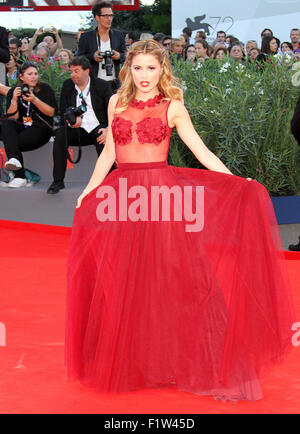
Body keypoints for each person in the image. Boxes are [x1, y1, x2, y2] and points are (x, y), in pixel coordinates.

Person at [65, 39, 295, 401]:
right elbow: (108, 152)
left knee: (178, 280)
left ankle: (202, 361)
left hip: (162, 199)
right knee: (129, 282)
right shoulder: (115, 103)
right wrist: (90, 190)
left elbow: (201, 152)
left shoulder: (173, 107)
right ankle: (140, 361)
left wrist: (236, 181)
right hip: (121, 199)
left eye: (151, 68)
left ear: (162, 69)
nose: (144, 75)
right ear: (129, 70)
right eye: (138, 68)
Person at [47, 56, 112, 194]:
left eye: (76, 71)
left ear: (87, 71)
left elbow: (112, 111)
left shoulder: (102, 86)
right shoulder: (67, 85)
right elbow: (63, 109)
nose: (73, 75)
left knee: (103, 136)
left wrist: (108, 130)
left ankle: (111, 181)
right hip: (76, 129)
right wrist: (71, 120)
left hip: (97, 127)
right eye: (71, 71)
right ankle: (58, 181)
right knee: (60, 135)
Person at [2, 62, 57, 188]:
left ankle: (20, 175)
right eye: (30, 74)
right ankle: (20, 173)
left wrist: (34, 100)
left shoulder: (45, 89)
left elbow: (51, 112)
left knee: (11, 143)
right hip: (22, 126)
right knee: (7, 125)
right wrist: (14, 100)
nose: (34, 77)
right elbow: (12, 117)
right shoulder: (14, 91)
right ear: (21, 77)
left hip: (41, 128)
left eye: (36, 74)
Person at [77, 1, 126, 92]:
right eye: (106, 16)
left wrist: (119, 56)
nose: (109, 19)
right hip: (94, 84)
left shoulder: (118, 35)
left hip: (114, 84)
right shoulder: (86, 37)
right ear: (97, 17)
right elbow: (79, 58)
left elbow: (127, 56)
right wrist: (93, 57)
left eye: (111, 15)